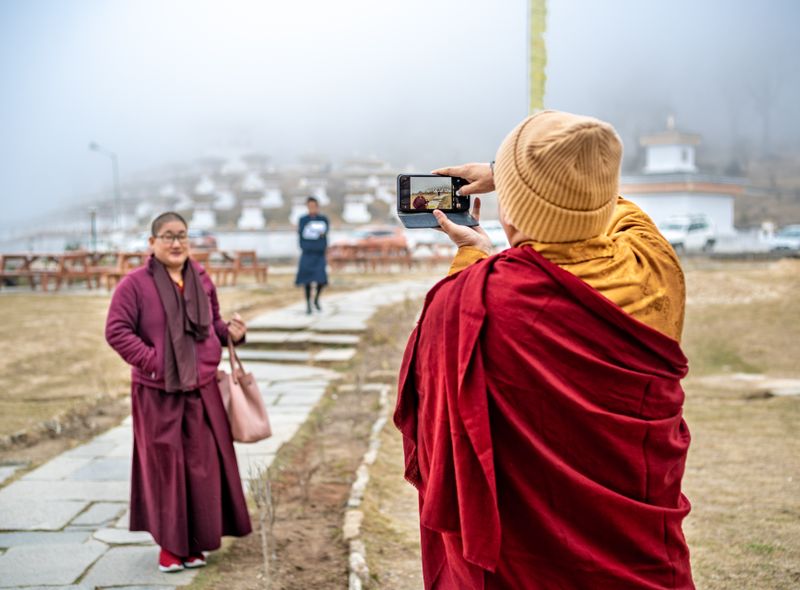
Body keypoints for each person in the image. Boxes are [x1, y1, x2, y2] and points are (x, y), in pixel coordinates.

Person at [394, 110, 695, 589]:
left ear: (509, 210)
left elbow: (438, 414)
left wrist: (474, 251)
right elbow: (606, 202)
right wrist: (517, 176)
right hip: (642, 563)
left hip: (526, 567)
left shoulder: (470, 302)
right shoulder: (652, 263)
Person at [105, 212, 251, 573]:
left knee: (201, 469)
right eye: (167, 236)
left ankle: (196, 543)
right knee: (165, 469)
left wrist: (232, 334)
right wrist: (153, 361)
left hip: (202, 389)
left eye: (182, 236)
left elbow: (213, 325)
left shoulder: (201, 279)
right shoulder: (135, 284)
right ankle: (171, 547)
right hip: (158, 392)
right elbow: (117, 331)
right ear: (152, 243)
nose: (176, 243)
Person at [295, 196, 329, 314]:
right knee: (307, 280)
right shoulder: (303, 220)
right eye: (310, 206)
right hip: (307, 253)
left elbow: (324, 235)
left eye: (314, 206)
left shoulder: (323, 219)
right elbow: (301, 235)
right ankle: (308, 304)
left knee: (321, 280)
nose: (312, 208)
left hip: (319, 253)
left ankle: (316, 299)